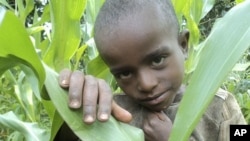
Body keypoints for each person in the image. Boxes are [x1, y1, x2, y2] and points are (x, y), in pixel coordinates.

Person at [55, 0, 246, 140]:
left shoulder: (221, 107)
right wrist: (71, 103)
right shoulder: (108, 113)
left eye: (157, 60)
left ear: (183, 45)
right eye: (125, 73)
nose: (146, 84)